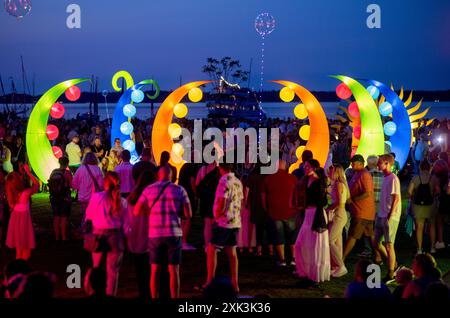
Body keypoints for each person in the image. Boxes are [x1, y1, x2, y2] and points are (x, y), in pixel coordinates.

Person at [134, 166, 192, 299]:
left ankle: (154, 296)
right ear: (171, 176)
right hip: (174, 233)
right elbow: (189, 214)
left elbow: (136, 210)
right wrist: (179, 213)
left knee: (155, 270)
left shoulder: (149, 189)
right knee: (174, 270)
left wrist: (149, 211)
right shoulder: (179, 189)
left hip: (155, 234)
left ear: (158, 175)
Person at [202, 163, 243, 293]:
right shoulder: (237, 181)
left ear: (221, 168)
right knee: (232, 252)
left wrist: (217, 214)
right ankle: (235, 283)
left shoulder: (223, 180)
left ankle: (210, 281)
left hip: (223, 221)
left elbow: (222, 200)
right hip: (235, 221)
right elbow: (240, 200)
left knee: (212, 249)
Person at [85, 172, 127, 296]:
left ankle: (92, 292)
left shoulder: (96, 197)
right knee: (113, 271)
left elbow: (89, 216)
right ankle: (110, 295)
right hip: (116, 235)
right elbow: (126, 222)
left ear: (105, 182)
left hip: (98, 234)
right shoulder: (122, 201)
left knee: (96, 267)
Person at [294, 159, 330, 284]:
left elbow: (322, 202)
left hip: (316, 215)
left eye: (308, 166)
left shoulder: (319, 182)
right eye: (305, 165)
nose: (305, 167)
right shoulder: (306, 180)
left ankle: (314, 276)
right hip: (308, 214)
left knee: (315, 246)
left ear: (314, 168)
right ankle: (305, 271)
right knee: (301, 244)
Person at [125, 170, 156, 299]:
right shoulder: (153, 196)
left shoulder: (132, 196)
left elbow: (127, 217)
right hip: (151, 237)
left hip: (135, 237)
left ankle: (143, 292)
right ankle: (151, 292)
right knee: (152, 270)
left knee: (140, 270)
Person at [262, 159, 297, 266]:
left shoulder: (268, 178)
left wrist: (266, 209)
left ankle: (282, 259)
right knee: (292, 236)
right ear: (285, 166)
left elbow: (263, 197)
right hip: (290, 211)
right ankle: (293, 258)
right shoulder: (292, 178)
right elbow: (297, 194)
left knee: (278, 236)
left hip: (274, 211)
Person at [374, 154, 401, 282]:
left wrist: (390, 216)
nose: (378, 164)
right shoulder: (385, 177)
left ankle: (391, 273)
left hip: (390, 216)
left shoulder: (393, 178)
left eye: (380, 162)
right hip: (381, 214)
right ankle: (393, 265)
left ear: (387, 163)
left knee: (389, 245)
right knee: (376, 242)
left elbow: (396, 198)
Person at [343, 154, 376, 262]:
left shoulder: (364, 175)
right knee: (371, 236)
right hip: (363, 211)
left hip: (362, 212)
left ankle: (342, 258)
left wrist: (353, 199)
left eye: (354, 162)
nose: (352, 164)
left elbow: (368, 193)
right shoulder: (357, 174)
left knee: (353, 235)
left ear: (360, 164)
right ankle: (381, 257)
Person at [5, 165, 39, 260]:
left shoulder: (10, 194)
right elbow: (37, 185)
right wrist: (28, 172)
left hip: (15, 221)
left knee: (19, 249)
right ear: (18, 182)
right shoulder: (25, 193)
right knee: (26, 249)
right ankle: (21, 269)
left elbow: (18, 185)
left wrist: (22, 173)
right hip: (23, 221)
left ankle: (17, 269)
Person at [407, 160, 437, 254]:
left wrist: (413, 197)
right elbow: (438, 190)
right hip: (431, 205)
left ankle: (419, 249)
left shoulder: (416, 178)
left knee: (419, 227)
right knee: (432, 226)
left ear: (420, 167)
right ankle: (432, 247)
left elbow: (409, 191)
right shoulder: (433, 178)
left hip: (418, 206)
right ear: (429, 168)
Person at [326, 164, 349, 277]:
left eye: (330, 171)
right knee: (337, 242)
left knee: (330, 241)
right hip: (339, 214)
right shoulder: (339, 184)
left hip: (339, 214)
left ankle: (341, 266)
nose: (329, 173)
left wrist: (328, 208)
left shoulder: (339, 185)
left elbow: (339, 202)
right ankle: (337, 266)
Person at [72, 152, 104, 228]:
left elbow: (74, 184)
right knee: (93, 214)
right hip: (94, 196)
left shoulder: (81, 168)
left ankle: (85, 228)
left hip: (83, 196)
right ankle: (89, 229)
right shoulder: (97, 169)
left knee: (86, 213)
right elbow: (101, 184)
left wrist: (81, 187)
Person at [246, 164, 271, 256]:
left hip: (256, 203)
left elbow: (247, 190)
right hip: (267, 204)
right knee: (269, 228)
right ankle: (271, 249)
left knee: (258, 229)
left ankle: (258, 249)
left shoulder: (252, 176)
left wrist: (246, 202)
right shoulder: (268, 175)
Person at [48, 156, 73, 241]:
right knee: (63, 217)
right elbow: (72, 185)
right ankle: (63, 237)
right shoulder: (67, 173)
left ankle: (57, 237)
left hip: (54, 197)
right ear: (67, 163)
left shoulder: (53, 172)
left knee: (56, 217)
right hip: (65, 198)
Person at [431, 159, 449, 251]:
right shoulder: (448, 176)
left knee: (439, 221)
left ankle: (440, 241)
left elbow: (437, 191)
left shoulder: (436, 177)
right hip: (448, 200)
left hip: (442, 201)